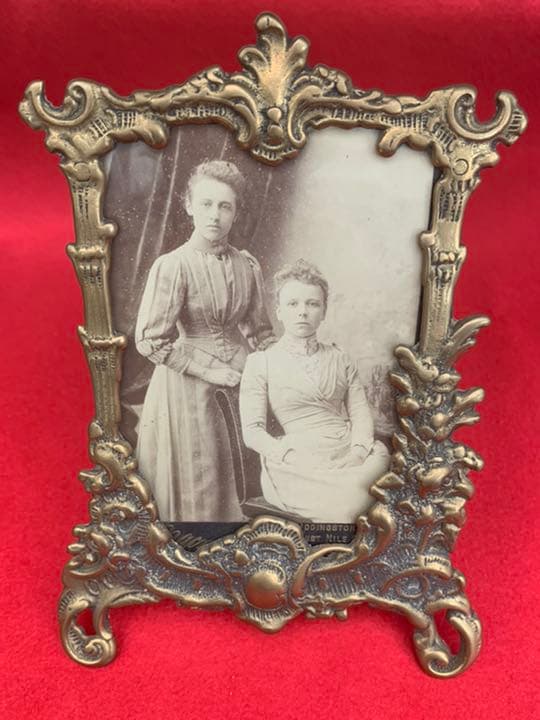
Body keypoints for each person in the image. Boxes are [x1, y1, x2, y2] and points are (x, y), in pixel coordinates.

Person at [135, 160, 274, 522]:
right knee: (201, 476)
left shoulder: (248, 265)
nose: (215, 214)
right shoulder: (174, 265)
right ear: (189, 206)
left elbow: (260, 332)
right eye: (206, 204)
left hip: (240, 379)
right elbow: (150, 340)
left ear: (236, 212)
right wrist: (210, 372)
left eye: (225, 206)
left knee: (244, 473)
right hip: (188, 384)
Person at [239, 259, 389, 523]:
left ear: (324, 311)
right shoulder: (261, 362)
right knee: (349, 503)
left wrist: (357, 453)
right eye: (293, 304)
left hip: (347, 451)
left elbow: (360, 414)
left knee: (385, 474)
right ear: (279, 311)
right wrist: (289, 456)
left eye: (312, 304)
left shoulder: (341, 358)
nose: (303, 312)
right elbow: (252, 432)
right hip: (298, 462)